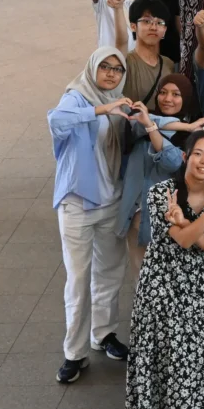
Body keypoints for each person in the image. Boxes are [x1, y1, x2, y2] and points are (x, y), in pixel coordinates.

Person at [125, 131, 204, 409]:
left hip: (201, 290)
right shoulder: (162, 193)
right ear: (185, 156)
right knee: (176, 363)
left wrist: (189, 221)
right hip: (164, 289)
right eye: (198, 153)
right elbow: (185, 240)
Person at [47, 47, 132, 384]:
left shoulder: (119, 99)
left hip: (111, 200)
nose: (111, 73)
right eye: (105, 67)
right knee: (79, 279)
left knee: (110, 272)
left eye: (117, 69)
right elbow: (56, 121)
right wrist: (100, 109)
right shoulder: (77, 96)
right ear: (92, 68)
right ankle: (74, 352)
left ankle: (103, 334)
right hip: (78, 203)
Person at [116, 74, 204, 276]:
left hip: (171, 220)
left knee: (168, 282)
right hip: (136, 215)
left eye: (176, 94)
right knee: (141, 279)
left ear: (186, 98)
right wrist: (183, 125)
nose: (168, 99)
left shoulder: (192, 137)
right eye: (163, 92)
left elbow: (173, 161)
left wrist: (154, 129)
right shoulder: (141, 120)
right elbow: (145, 121)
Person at [112, 0, 177, 110]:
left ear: (165, 30)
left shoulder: (169, 64)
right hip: (132, 121)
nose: (154, 27)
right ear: (133, 26)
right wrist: (118, 8)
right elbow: (121, 42)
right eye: (147, 21)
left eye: (159, 23)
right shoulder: (126, 61)